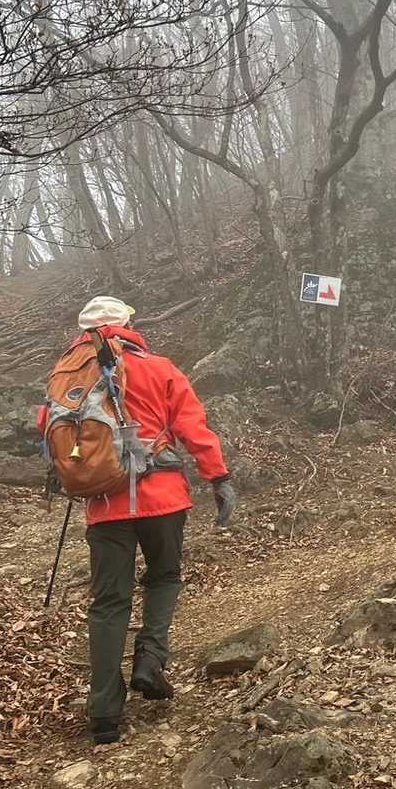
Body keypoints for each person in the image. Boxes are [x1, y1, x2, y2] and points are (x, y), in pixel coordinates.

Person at [40, 296, 237, 745]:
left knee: (108, 603)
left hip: (103, 505)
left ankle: (104, 714)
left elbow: (49, 432)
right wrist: (218, 477)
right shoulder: (158, 368)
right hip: (162, 497)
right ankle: (150, 658)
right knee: (164, 576)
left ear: (86, 330)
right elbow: (193, 426)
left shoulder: (65, 376)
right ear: (127, 324)